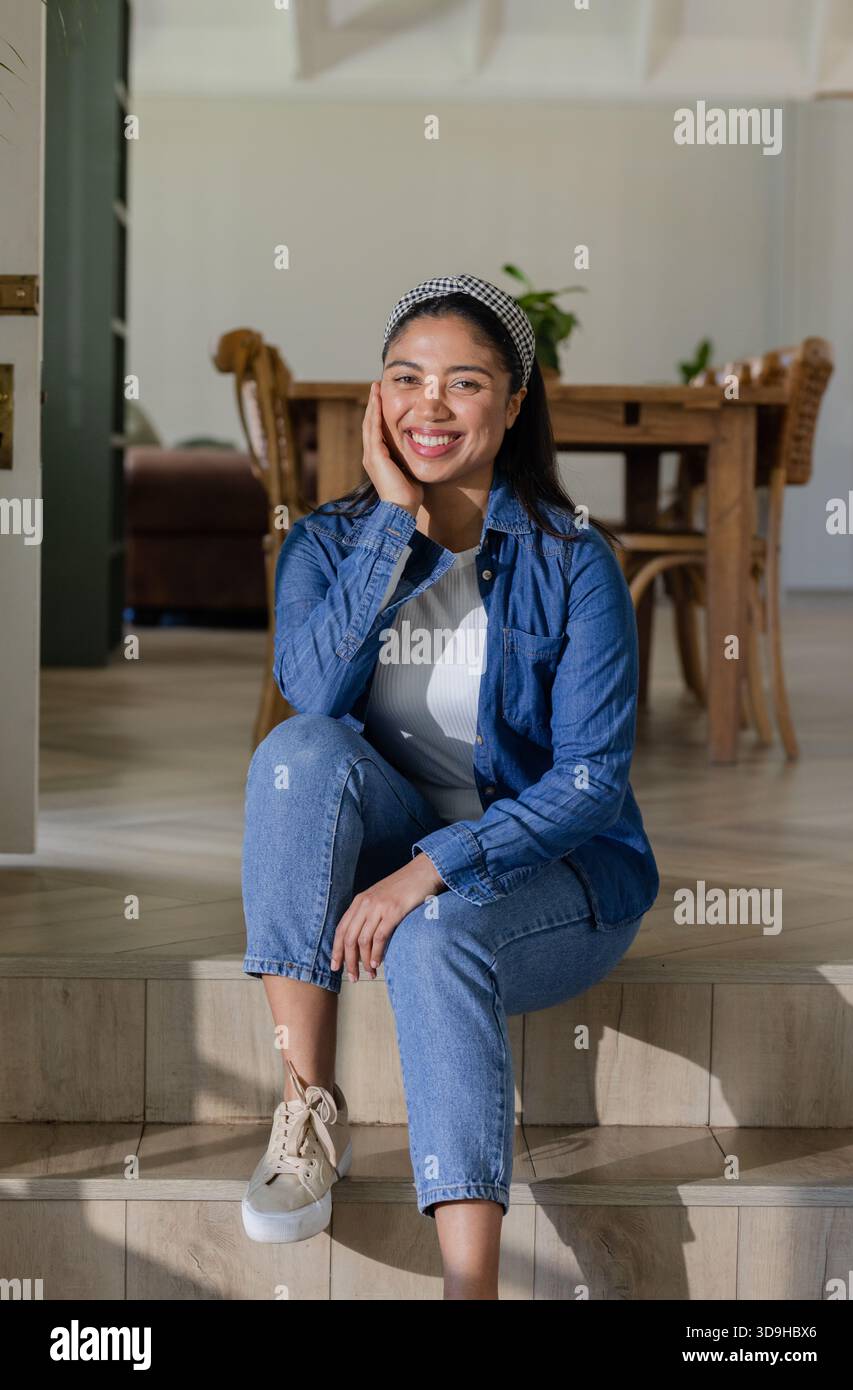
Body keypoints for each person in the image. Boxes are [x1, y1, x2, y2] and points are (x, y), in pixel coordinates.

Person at [240, 272, 659, 1300]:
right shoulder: (328, 542)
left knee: (436, 931)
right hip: (391, 843)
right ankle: (306, 1109)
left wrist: (435, 867)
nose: (430, 404)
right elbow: (312, 689)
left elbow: (592, 782)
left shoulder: (576, 561)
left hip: (556, 873)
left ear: (514, 406)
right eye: (405, 379)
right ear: (378, 398)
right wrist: (394, 521)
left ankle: (468, 1290)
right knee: (297, 754)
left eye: (464, 382)